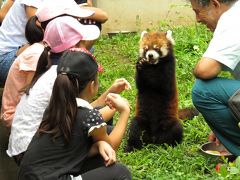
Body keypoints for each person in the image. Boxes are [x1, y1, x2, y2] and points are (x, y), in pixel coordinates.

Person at [7, 16, 131, 165]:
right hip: (32, 154)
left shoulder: (57, 70)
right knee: (105, 142)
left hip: (27, 147)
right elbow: (88, 118)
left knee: (101, 128)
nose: (88, 47)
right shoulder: (64, 77)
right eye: (84, 43)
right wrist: (122, 110)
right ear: (75, 47)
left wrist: (110, 95)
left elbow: (83, 113)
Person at [18, 48, 132, 180]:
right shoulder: (88, 116)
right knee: (120, 172)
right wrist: (124, 112)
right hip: (52, 176)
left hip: (32, 174)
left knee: (102, 144)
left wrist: (97, 145)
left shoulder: (55, 106)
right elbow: (111, 146)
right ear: (92, 85)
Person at [0, 0, 108, 128]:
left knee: (83, 53)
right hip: (9, 57)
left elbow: (102, 15)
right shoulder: (37, 58)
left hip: (39, 48)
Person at [0, 0, 108, 87]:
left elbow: (102, 16)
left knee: (80, 47)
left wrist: (70, 10)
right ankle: (68, 84)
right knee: (74, 50)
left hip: (34, 49)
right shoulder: (37, 11)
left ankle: (72, 81)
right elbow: (46, 32)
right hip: (8, 58)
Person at [190, 0, 240, 156]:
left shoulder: (232, 18)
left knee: (203, 91)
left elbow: (204, 70)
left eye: (198, 11)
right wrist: (220, 126)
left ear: (215, 4)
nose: (197, 19)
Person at [0, 16, 44, 128]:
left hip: (22, 110)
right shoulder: (35, 54)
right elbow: (32, 93)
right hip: (15, 115)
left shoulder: (37, 50)